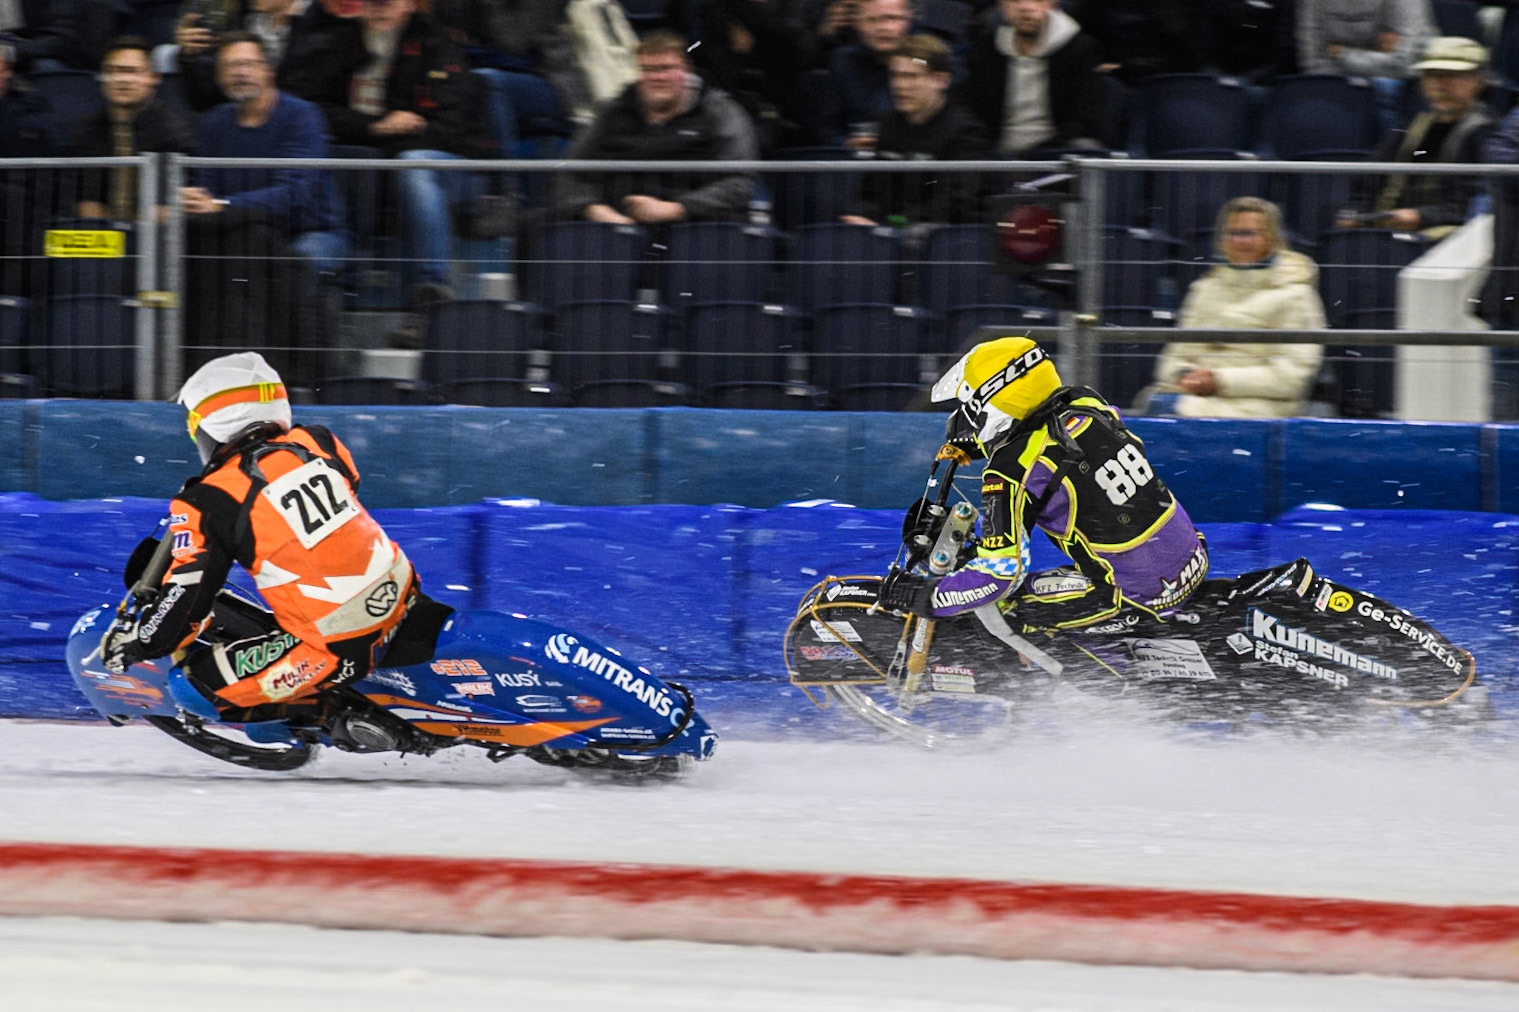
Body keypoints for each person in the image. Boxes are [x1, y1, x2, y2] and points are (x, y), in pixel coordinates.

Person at [97, 352, 453, 748]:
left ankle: (335, 716)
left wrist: (140, 643)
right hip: (403, 595)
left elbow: (186, 604)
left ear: (217, 422)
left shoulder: (209, 500)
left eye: (194, 424)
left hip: (338, 644)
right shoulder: (317, 442)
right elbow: (346, 486)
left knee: (192, 687)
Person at [878, 336, 1209, 632]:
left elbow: (999, 575)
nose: (965, 416)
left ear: (990, 401)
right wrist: (983, 445)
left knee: (1000, 609)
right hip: (1191, 556)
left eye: (969, 405)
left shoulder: (1009, 471)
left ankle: (1069, 692)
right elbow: (1057, 441)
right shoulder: (1087, 403)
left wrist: (925, 596)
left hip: (1138, 594)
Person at [322, 0, 495, 307]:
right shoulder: (343, 42)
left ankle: (433, 288)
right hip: (374, 161)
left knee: (414, 165)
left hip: (451, 166)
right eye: (372, 2)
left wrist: (384, 137)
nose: (379, 8)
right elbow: (320, 109)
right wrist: (376, 127)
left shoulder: (436, 46)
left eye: (387, 2)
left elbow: (452, 130)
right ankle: (345, 280)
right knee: (347, 160)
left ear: (408, 5)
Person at [555, 29, 759, 225]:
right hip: (615, 224)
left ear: (686, 68)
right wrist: (593, 209)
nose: (657, 78)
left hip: (692, 227)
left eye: (666, 68)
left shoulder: (720, 111)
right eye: (648, 69)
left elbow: (739, 183)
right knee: (533, 225)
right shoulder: (614, 110)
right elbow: (568, 172)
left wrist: (676, 209)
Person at [1153, 197, 1327, 418]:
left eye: (1249, 233)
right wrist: (1183, 375)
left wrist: (1219, 381)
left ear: (1271, 238)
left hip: (1257, 407)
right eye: (1232, 233)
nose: (1239, 241)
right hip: (1191, 398)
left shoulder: (1297, 295)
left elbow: (1291, 377)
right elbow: (1174, 356)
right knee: (1152, 407)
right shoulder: (1204, 289)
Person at [1338, 36, 1495, 240]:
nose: (1440, 85)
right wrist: (1356, 212)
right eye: (1432, 75)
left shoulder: (1486, 133)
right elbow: (1368, 178)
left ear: (1478, 81)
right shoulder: (1413, 127)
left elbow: (1473, 206)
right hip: (1393, 235)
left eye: (1452, 76)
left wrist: (1422, 217)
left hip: (1448, 242)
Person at [839, 33, 987, 227]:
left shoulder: (967, 134)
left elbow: (952, 207)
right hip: (886, 235)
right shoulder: (887, 125)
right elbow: (867, 192)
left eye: (912, 76)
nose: (900, 86)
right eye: (896, 76)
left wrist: (889, 223)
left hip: (938, 243)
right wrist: (858, 216)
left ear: (941, 80)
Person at [73, 36, 197, 221]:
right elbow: (85, 200)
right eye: (112, 71)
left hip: (156, 238)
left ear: (154, 78)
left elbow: (170, 206)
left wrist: (133, 232)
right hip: (104, 239)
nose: (122, 79)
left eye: (131, 71)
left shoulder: (175, 131)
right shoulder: (88, 129)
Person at [961, 0, 1104, 157]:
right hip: (996, 156)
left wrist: (1038, 155)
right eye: (1015, 1)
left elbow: (1084, 120)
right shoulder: (988, 48)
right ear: (1003, 7)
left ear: (1051, 5)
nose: (1026, 7)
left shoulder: (1079, 49)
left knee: (1085, 146)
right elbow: (974, 110)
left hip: (1057, 155)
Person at [171, 0, 361, 112]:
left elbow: (318, 97)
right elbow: (207, 101)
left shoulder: (330, 27)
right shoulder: (239, 24)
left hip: (300, 130)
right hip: (242, 127)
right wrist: (191, 57)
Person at [820, 0, 912, 148]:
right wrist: (845, 143)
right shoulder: (841, 62)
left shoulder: (923, 61)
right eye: (873, 20)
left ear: (908, 20)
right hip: (856, 160)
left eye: (893, 18)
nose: (884, 28)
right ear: (857, 23)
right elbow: (828, 127)